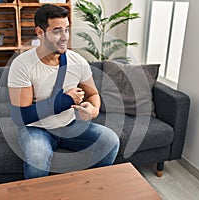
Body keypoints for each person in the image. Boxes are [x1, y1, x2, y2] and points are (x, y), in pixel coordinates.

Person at [7, 4, 120, 179]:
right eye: (57, 31)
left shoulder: (77, 61)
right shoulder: (22, 65)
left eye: (66, 29)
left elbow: (93, 94)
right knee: (38, 157)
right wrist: (65, 101)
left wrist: (93, 110)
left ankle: (87, 188)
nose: (64, 37)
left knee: (110, 141)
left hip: (69, 124)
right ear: (40, 32)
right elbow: (21, 116)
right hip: (37, 129)